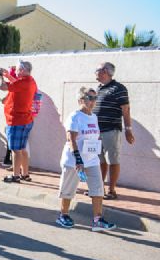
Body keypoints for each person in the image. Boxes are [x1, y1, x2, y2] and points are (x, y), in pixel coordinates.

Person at [57, 87, 116, 232]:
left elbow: (93, 136)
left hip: (91, 160)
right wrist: (78, 159)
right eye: (90, 98)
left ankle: (98, 220)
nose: (93, 101)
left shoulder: (93, 117)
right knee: (68, 189)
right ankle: (63, 215)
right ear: (81, 100)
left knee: (98, 188)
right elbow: (71, 138)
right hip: (74, 160)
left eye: (95, 98)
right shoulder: (75, 116)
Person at [94, 62, 135, 200]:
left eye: (97, 70)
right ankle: (99, 188)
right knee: (99, 160)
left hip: (111, 130)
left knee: (113, 160)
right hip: (96, 132)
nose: (95, 72)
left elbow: (126, 110)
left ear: (105, 71)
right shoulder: (98, 88)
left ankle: (112, 191)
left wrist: (128, 130)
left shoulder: (119, 88)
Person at [0, 61, 37, 183]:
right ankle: (25, 174)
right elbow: (16, 84)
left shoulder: (23, 82)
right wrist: (8, 76)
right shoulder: (29, 80)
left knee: (16, 150)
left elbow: (3, 87)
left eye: (17, 70)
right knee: (23, 149)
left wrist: (0, 77)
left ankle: (15, 176)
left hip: (17, 120)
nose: (15, 71)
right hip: (26, 120)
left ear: (22, 70)